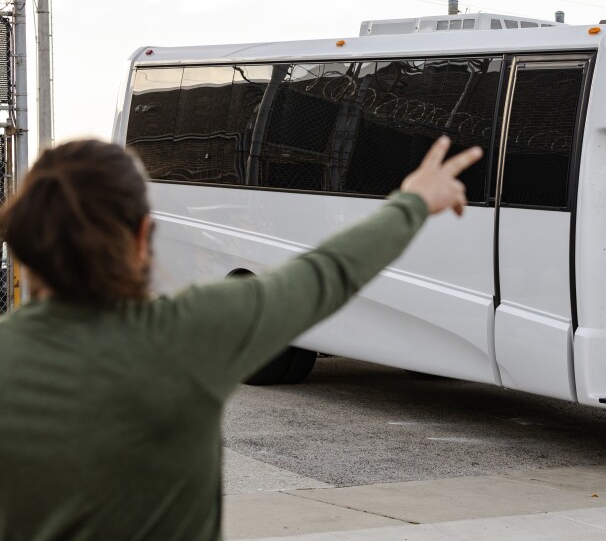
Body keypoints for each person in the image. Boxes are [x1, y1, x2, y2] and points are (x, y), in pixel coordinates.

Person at [0, 136, 482, 540]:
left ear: (23, 238)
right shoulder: (194, 331)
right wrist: (413, 201)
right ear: (143, 235)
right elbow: (328, 273)